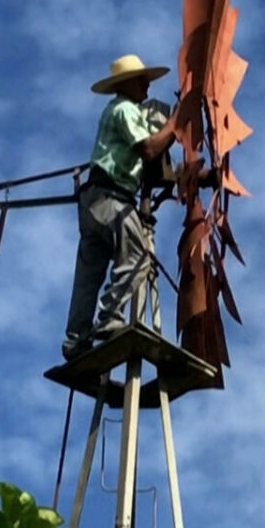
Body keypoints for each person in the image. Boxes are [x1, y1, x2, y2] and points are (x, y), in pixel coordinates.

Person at [63, 54, 180, 360]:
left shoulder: (120, 111)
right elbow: (150, 149)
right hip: (111, 199)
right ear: (127, 83)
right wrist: (176, 124)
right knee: (139, 257)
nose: (147, 86)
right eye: (142, 80)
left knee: (89, 274)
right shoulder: (125, 109)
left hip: (94, 203)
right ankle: (110, 317)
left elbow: (156, 160)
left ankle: (76, 340)